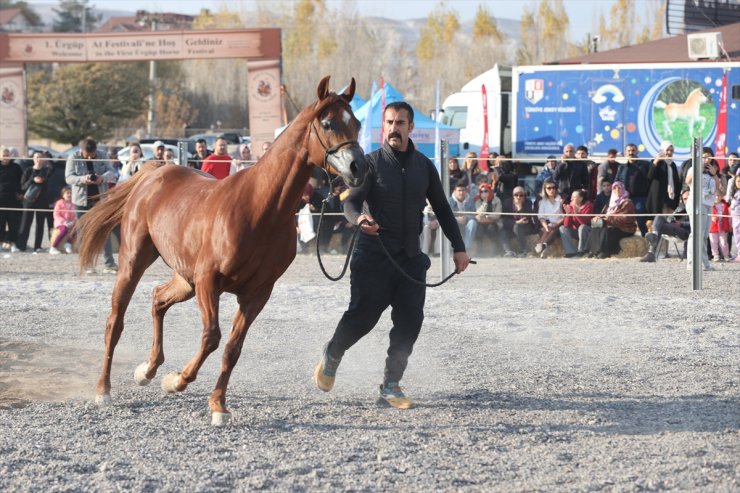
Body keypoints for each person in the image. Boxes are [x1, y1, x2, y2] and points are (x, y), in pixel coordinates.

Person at [313, 101, 470, 409]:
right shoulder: (369, 163)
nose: (394, 128)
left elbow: (442, 208)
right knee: (362, 318)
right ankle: (332, 353)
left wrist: (459, 247)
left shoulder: (425, 167)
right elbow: (350, 202)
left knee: (411, 321)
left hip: (410, 258)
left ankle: (391, 385)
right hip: (373, 256)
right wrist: (359, 219)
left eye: (400, 123)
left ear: (411, 127)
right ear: (382, 127)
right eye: (389, 123)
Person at [65, 137, 118, 273]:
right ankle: (88, 265)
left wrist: (103, 178)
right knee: (83, 233)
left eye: (92, 155)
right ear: (81, 151)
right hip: (81, 201)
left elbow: (111, 171)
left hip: (100, 200)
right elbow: (68, 177)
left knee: (104, 231)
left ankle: (109, 264)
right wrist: (82, 179)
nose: (90, 158)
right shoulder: (73, 157)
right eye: (87, 156)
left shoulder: (103, 155)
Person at [685, 147, 720, 271]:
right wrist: (697, 168)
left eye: (709, 156)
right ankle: (691, 263)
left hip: (708, 204)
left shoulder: (712, 170)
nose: (707, 159)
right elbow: (687, 181)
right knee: (695, 234)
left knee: (704, 235)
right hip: (696, 203)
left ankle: (705, 263)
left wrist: (714, 174)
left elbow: (719, 187)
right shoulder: (693, 168)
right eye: (704, 156)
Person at [587, 181, 637, 258]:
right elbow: (604, 214)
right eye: (614, 188)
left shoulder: (627, 202)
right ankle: (594, 251)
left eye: (619, 188)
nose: (617, 190)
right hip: (611, 224)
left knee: (607, 231)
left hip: (625, 227)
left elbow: (625, 218)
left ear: (623, 189)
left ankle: (605, 252)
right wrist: (599, 217)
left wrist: (608, 219)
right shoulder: (611, 202)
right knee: (596, 228)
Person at [16, 151, 54, 253]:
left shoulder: (46, 171)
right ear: (33, 159)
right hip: (28, 201)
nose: (38, 159)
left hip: (42, 201)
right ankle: (21, 245)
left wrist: (47, 154)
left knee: (40, 224)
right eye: (36, 157)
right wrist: (33, 180)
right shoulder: (28, 170)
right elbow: (22, 186)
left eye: (40, 157)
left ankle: (37, 246)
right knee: (25, 223)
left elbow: (52, 165)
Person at [640, 189, 691, 263]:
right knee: (659, 217)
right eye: (685, 199)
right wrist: (671, 219)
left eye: (688, 198)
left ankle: (651, 251)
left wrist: (681, 223)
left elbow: (697, 223)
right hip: (674, 227)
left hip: (686, 231)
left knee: (660, 226)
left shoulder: (696, 209)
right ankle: (655, 235)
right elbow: (671, 218)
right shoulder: (681, 209)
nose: (687, 200)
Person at [616, 143, 649, 236]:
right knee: (623, 219)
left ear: (637, 152)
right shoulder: (621, 167)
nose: (631, 153)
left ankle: (645, 239)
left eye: (633, 150)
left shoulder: (645, 165)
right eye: (629, 151)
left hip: (640, 198)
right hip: (625, 199)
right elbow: (616, 181)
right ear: (626, 153)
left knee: (640, 218)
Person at [646, 140, 680, 218]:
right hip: (659, 198)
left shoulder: (672, 165)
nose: (669, 153)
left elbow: (676, 182)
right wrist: (656, 161)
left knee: (668, 223)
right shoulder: (657, 162)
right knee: (660, 223)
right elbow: (650, 176)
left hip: (670, 199)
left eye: (671, 151)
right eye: (667, 150)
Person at [0, 145, 24, 252]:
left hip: (13, 200)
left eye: (7, 155)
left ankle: (13, 244)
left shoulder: (16, 167)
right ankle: (0, 244)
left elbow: (22, 182)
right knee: (0, 224)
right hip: (1, 200)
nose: (6, 157)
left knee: (13, 224)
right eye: (4, 155)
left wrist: (21, 193)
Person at [501, 185, 536, 257]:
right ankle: (508, 251)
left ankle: (523, 251)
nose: (518, 197)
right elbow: (504, 219)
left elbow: (526, 218)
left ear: (524, 196)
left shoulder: (528, 202)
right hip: (512, 226)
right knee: (502, 230)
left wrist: (520, 207)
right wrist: (516, 222)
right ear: (513, 195)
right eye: (516, 195)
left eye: (521, 195)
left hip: (526, 227)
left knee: (517, 227)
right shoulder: (507, 203)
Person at [533, 178, 563, 258]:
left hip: (560, 224)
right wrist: (546, 226)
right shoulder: (543, 202)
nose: (552, 190)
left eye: (553, 188)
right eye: (549, 188)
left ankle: (541, 246)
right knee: (546, 229)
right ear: (545, 189)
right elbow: (541, 217)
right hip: (548, 224)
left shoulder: (561, 200)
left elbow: (565, 216)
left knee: (553, 229)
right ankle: (544, 247)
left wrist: (556, 224)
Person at [559, 188, 594, 257]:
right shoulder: (571, 206)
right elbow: (567, 225)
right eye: (571, 197)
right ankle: (570, 252)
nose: (571, 199)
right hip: (576, 231)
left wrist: (576, 214)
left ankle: (581, 250)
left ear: (581, 199)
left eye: (574, 197)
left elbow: (584, 223)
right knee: (562, 228)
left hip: (587, 232)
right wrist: (568, 214)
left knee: (582, 227)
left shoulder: (589, 206)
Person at [473, 182, 503, 256]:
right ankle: (479, 252)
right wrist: (485, 202)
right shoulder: (478, 201)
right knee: (479, 230)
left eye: (485, 191)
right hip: (481, 223)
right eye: (481, 191)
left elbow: (497, 214)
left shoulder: (497, 200)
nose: (483, 193)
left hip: (493, 222)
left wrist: (487, 217)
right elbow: (479, 213)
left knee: (492, 228)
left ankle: (495, 251)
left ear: (489, 191)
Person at [448, 181, 477, 251]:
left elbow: (474, 214)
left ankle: (466, 248)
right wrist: (457, 219)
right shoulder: (449, 201)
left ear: (466, 191)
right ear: (455, 191)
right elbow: (446, 216)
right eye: (459, 190)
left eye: (463, 190)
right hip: (454, 223)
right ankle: (453, 248)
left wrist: (466, 218)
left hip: (467, 223)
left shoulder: (471, 200)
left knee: (473, 222)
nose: (461, 192)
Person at [49, 186, 76, 255]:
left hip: (72, 223)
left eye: (71, 193)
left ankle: (68, 243)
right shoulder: (59, 203)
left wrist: (73, 222)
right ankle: (53, 247)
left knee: (76, 228)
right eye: (67, 193)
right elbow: (56, 214)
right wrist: (64, 222)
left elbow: (76, 215)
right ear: (63, 195)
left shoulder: (74, 204)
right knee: (64, 229)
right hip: (60, 223)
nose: (69, 195)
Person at [709, 192, 731, 261]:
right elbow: (707, 214)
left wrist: (730, 224)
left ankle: (726, 255)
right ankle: (715, 255)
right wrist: (712, 217)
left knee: (723, 242)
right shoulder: (710, 205)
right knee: (713, 241)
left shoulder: (725, 205)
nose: (717, 197)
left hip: (723, 226)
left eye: (718, 196)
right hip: (713, 226)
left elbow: (729, 216)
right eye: (715, 196)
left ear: (721, 196)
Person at [729, 174, 740, 262]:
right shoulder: (735, 192)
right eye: (738, 181)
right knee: (736, 236)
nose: (739, 183)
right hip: (734, 217)